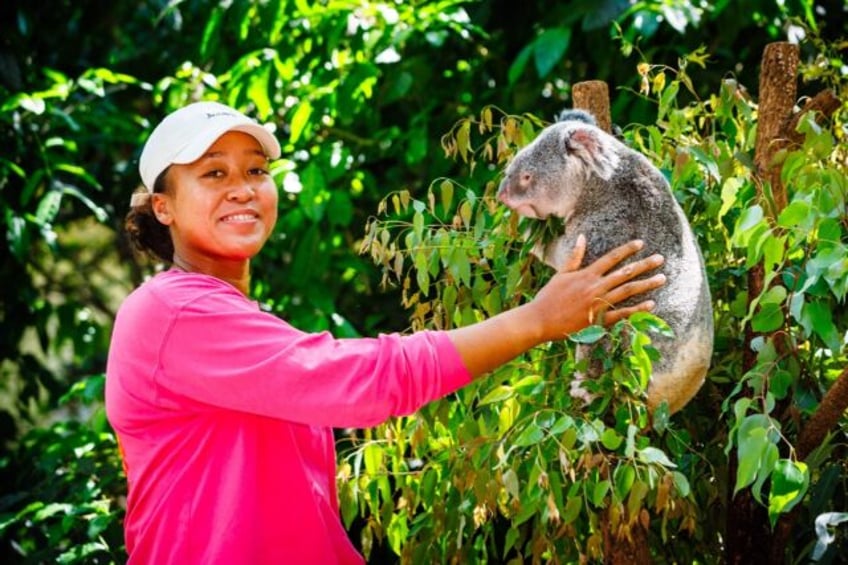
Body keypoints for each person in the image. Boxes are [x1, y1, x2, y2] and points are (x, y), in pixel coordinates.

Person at [105, 101, 666, 564]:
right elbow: (367, 381)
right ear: (164, 207)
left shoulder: (242, 323)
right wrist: (539, 320)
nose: (243, 189)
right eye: (213, 174)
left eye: (256, 170)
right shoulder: (169, 313)